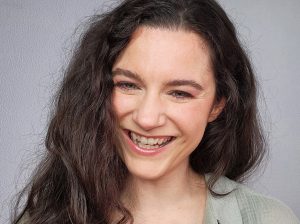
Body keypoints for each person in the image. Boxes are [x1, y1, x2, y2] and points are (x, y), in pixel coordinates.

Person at [13, 0, 299, 223]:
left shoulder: (266, 219)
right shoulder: (46, 217)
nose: (147, 118)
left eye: (179, 93)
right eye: (128, 85)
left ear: (217, 104)